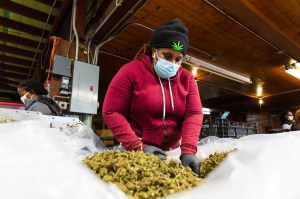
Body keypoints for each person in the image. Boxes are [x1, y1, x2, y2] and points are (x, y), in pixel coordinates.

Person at [102, 19, 203, 175]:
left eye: (178, 59)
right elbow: (112, 111)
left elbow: (193, 114)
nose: (173, 63)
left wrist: (189, 149)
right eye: (167, 56)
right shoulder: (130, 72)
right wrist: (137, 147)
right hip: (137, 150)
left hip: (172, 152)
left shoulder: (187, 78)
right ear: (154, 51)